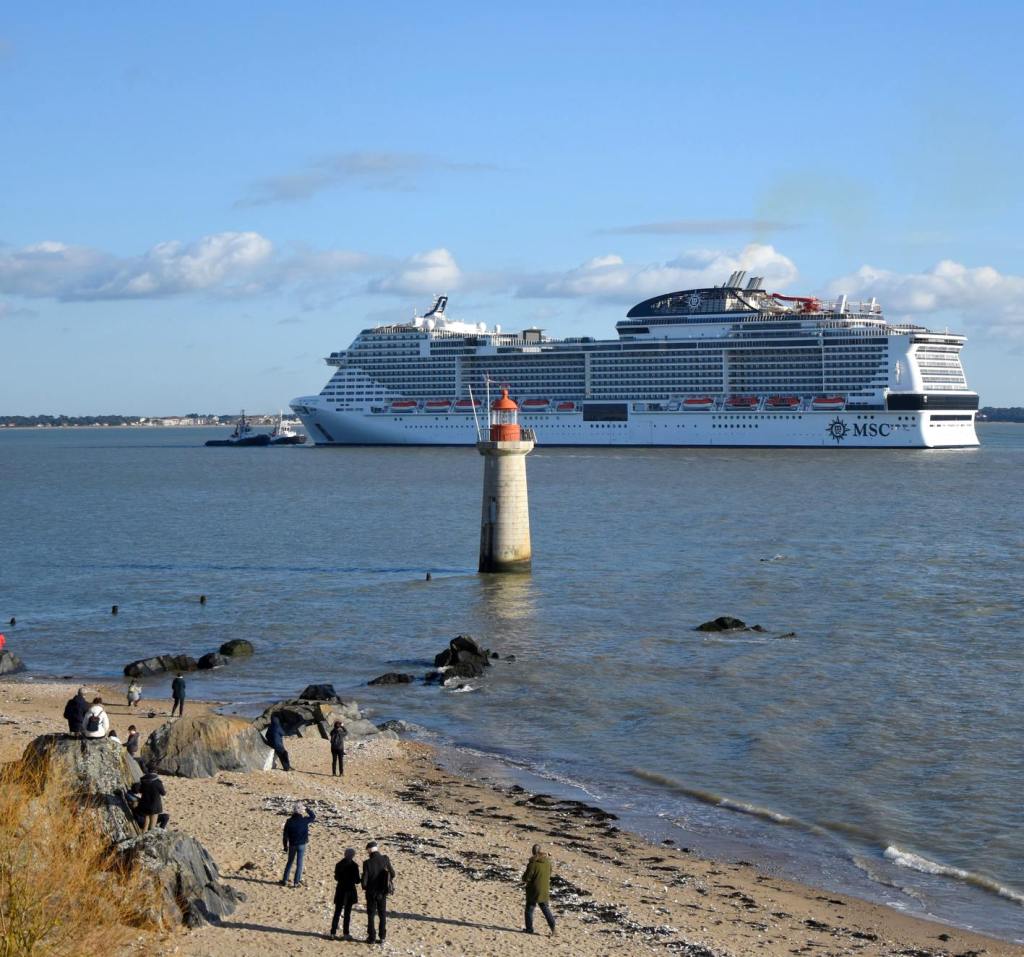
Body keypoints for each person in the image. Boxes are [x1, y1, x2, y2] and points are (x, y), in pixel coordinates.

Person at [361, 840, 395, 945]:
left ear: (369, 851)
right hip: (382, 892)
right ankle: (382, 937)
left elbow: (364, 882)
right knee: (382, 914)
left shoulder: (367, 863)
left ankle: (371, 938)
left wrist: (365, 887)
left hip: (371, 892)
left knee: (371, 915)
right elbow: (393, 873)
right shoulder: (385, 859)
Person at [522, 843, 557, 935]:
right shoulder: (547, 862)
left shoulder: (532, 863)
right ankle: (553, 928)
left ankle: (529, 929)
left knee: (529, 909)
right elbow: (549, 872)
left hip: (533, 890)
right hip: (544, 888)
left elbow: (526, 878)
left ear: (533, 852)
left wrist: (525, 879)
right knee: (545, 908)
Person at [281, 803, 316, 887]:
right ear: (301, 811)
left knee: (290, 862)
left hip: (292, 844)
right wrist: (307, 808)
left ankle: (285, 880)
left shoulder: (289, 821)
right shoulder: (304, 820)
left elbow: (285, 836)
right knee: (299, 863)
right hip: (302, 844)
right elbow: (313, 816)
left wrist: (285, 846)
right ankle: (296, 882)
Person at [330, 847, 360, 940]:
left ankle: (333, 932)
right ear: (353, 856)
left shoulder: (339, 864)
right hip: (350, 891)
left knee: (337, 912)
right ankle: (346, 933)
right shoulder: (354, 866)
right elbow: (357, 881)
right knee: (347, 913)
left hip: (340, 890)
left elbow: (336, 878)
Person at [132, 762, 166, 831]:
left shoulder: (143, 781)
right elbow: (163, 793)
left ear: (148, 770)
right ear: (156, 771)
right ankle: (150, 835)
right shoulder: (157, 782)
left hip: (145, 805)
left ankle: (144, 834)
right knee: (152, 826)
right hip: (155, 806)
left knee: (146, 824)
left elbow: (139, 790)